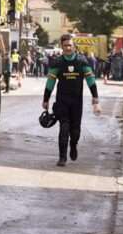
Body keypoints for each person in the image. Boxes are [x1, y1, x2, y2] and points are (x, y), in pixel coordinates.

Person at [42, 34, 100, 167]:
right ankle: (62, 157)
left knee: (75, 131)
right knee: (63, 129)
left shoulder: (82, 61)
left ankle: (73, 145)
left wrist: (95, 96)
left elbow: (90, 80)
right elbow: (50, 82)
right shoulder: (57, 62)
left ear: (74, 46)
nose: (68, 48)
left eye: (70, 45)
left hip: (76, 102)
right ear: (61, 47)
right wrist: (46, 99)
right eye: (65, 45)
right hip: (62, 101)